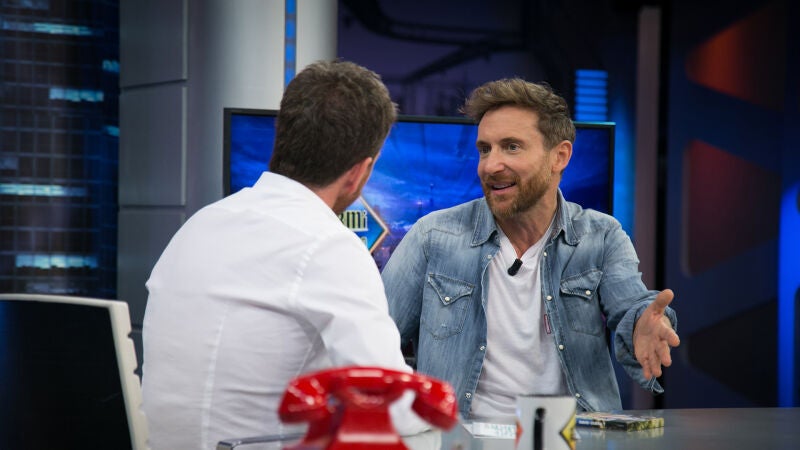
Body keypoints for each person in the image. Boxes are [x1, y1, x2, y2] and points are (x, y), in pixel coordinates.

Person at [141, 60, 428, 449]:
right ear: (359, 172)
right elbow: (390, 407)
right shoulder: (329, 245)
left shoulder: (198, 225)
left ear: (283, 134)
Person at [381, 78, 680, 419]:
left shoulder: (601, 236)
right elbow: (374, 337)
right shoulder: (432, 236)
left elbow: (633, 308)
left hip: (574, 436)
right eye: (485, 149)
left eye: (511, 147)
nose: (490, 165)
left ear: (559, 156)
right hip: (461, 437)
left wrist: (644, 324)